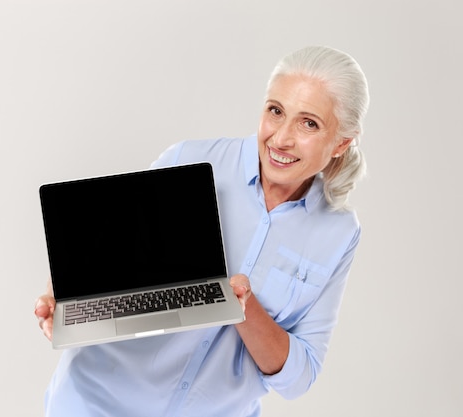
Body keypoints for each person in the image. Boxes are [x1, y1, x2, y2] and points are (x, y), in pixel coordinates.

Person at [34, 45, 370, 417]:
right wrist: (62, 295)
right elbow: (102, 260)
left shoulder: (338, 232)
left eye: (309, 123)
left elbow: (298, 377)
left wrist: (243, 307)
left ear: (341, 142)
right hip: (99, 404)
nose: (281, 139)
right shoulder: (189, 161)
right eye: (276, 111)